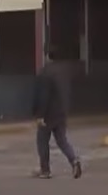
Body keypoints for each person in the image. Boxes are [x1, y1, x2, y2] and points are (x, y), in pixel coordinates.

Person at [32, 47, 82, 179]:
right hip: (62, 111)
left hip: (48, 113)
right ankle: (74, 160)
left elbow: (44, 95)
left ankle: (45, 170)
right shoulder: (65, 71)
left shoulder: (46, 72)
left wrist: (40, 115)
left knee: (42, 141)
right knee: (61, 140)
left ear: (48, 56)